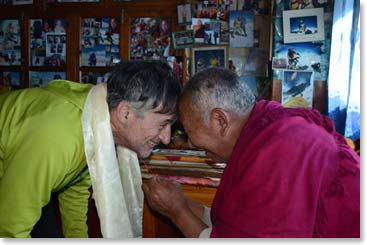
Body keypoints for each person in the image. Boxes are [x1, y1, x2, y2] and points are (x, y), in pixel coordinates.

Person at [142, 67, 360, 238]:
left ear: (220, 121)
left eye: (190, 131)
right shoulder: (261, 131)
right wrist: (184, 204)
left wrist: (178, 213)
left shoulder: (284, 147)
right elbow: (238, 223)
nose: (189, 143)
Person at [0, 60, 182, 238]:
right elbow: (9, 230)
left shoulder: (95, 119)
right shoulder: (59, 138)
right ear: (125, 113)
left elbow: (74, 190)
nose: (166, 138)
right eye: (162, 125)